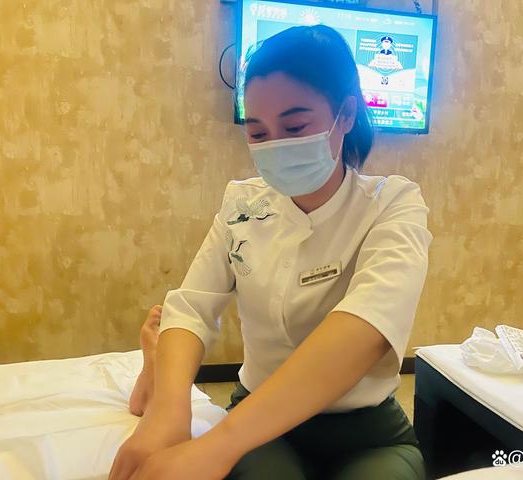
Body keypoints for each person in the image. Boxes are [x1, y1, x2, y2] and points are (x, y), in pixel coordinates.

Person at [109, 24, 432, 480]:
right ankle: (154, 369)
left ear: (345, 115)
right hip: (258, 425)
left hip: (368, 431)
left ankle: (154, 368)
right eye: (258, 133)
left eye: (295, 127)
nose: (276, 145)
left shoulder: (394, 203)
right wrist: (167, 415)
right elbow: (193, 307)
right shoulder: (242, 205)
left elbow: (367, 328)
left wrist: (217, 446)